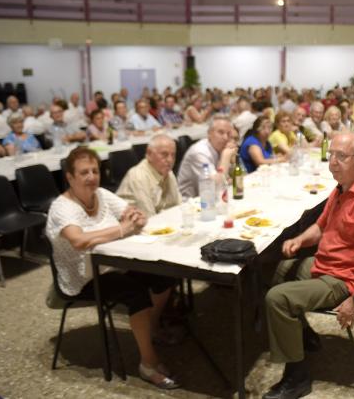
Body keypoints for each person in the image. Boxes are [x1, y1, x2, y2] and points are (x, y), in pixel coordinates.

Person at [261, 132, 354, 399]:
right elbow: (321, 227)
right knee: (268, 270)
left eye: (340, 156)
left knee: (277, 298)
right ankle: (303, 334)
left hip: (344, 279)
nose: (332, 162)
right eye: (330, 154)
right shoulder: (342, 188)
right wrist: (299, 239)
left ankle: (296, 377)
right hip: (325, 265)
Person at [45, 147, 179, 389]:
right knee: (135, 292)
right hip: (81, 279)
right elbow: (79, 240)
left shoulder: (102, 195)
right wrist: (121, 229)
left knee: (163, 275)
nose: (91, 177)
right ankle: (148, 365)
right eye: (84, 172)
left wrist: (135, 216)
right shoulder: (61, 207)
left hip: (111, 265)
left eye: (95, 170)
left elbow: (131, 214)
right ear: (70, 177)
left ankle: (151, 329)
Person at [116, 134, 180, 217]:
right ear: (149, 154)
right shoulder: (138, 176)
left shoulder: (168, 172)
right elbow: (149, 218)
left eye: (173, 155)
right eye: (164, 154)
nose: (170, 160)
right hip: (128, 225)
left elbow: (179, 206)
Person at [177, 115, 237, 197]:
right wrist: (226, 157)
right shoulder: (199, 152)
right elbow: (215, 187)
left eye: (228, 134)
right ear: (209, 133)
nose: (226, 138)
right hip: (190, 203)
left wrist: (233, 161)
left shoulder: (221, 148)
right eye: (221, 132)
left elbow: (236, 179)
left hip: (211, 199)